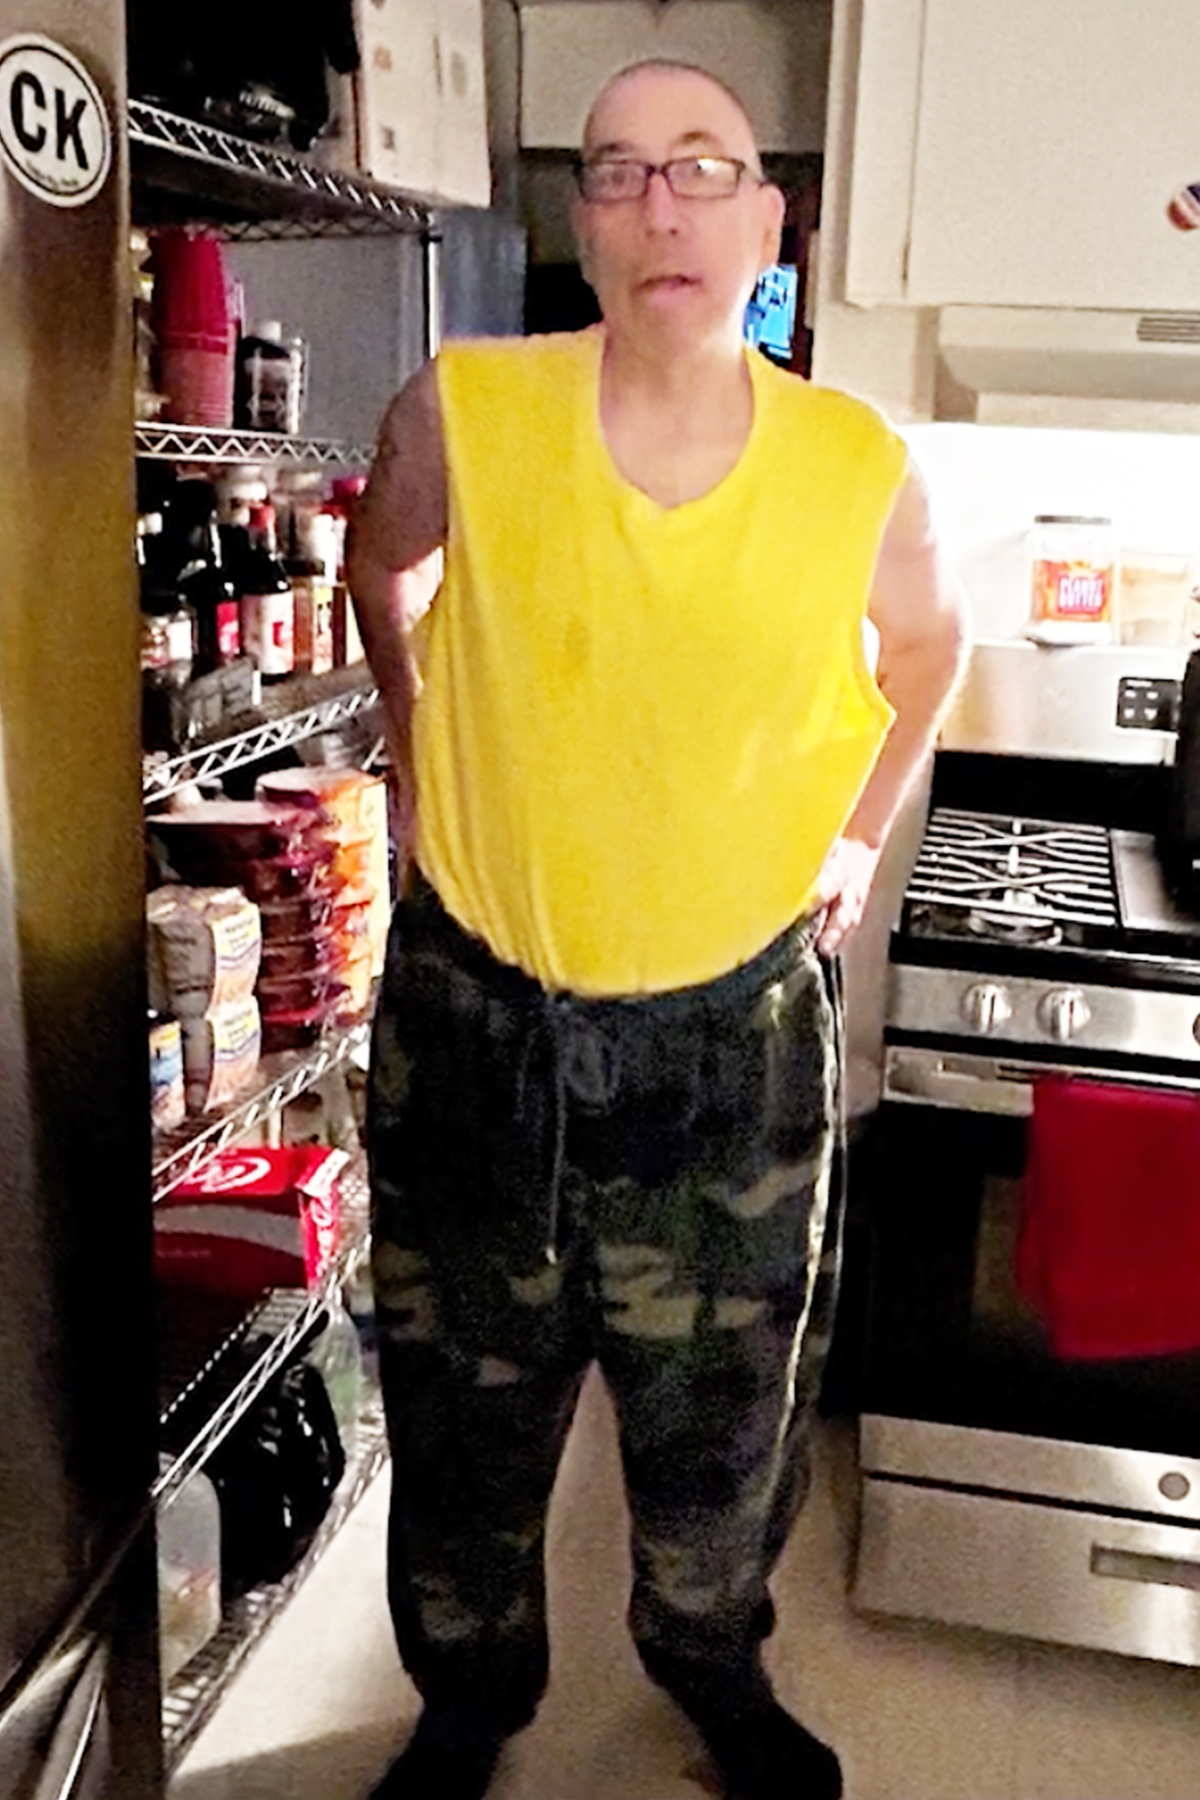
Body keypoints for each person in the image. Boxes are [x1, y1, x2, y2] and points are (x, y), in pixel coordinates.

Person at [348, 58, 968, 1800]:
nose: (660, 205)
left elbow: (933, 647)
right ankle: (469, 1700)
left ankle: (711, 1669)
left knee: (723, 1428)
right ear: (586, 221)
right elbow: (381, 571)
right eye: (618, 171)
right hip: (477, 1027)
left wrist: (859, 835)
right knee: (462, 1419)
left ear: (770, 223)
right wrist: (415, 760)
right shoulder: (467, 408)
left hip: (727, 1048)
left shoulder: (856, 464)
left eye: (703, 167)